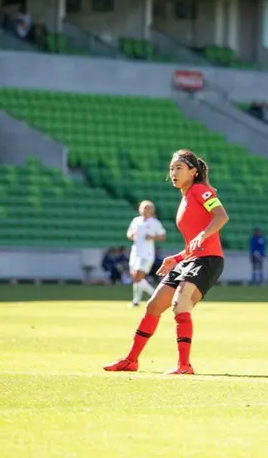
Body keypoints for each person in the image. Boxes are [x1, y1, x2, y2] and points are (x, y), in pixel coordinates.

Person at [104, 149, 229, 375]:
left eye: (178, 168)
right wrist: (177, 257)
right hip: (191, 260)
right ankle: (131, 360)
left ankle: (184, 365)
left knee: (180, 306)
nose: (173, 172)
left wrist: (202, 235)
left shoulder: (201, 190)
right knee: (153, 306)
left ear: (193, 172)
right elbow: (194, 244)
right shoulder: (185, 197)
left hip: (207, 261)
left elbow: (221, 216)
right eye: (171, 168)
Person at [126, 200, 167, 307]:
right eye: (143, 208)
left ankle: (155, 296)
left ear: (152, 210)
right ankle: (137, 300)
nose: (145, 210)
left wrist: (152, 237)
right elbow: (129, 233)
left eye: (148, 208)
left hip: (147, 254)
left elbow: (163, 236)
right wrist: (131, 235)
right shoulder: (136, 221)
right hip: (135, 252)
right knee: (136, 277)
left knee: (137, 277)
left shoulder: (155, 222)